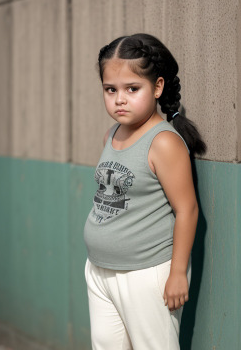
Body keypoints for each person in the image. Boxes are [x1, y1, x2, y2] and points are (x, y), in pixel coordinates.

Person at [83, 33, 206, 350]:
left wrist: (178, 272)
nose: (119, 99)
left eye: (131, 89)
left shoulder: (163, 142)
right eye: (111, 89)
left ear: (158, 87)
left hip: (145, 273)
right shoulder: (112, 134)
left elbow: (187, 210)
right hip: (100, 270)